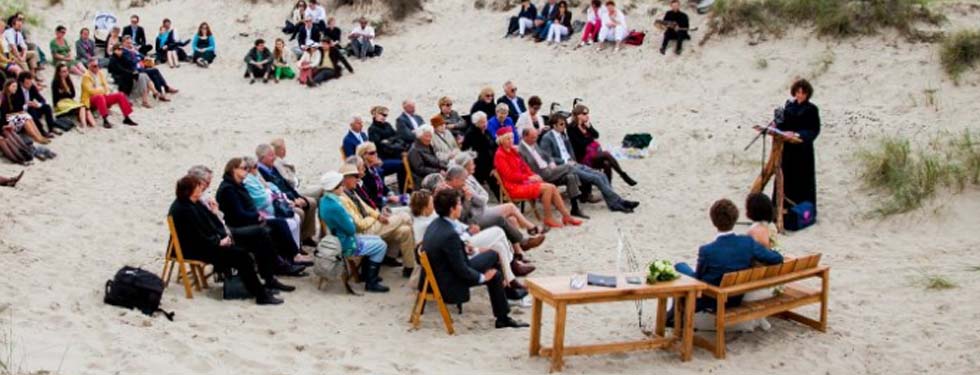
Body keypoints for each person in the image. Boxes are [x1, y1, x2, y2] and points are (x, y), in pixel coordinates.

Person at [169, 175, 287, 305]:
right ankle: (260, 294)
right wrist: (219, 241)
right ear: (189, 190)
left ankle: (265, 284)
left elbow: (212, 224)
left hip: (210, 241)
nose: (201, 188)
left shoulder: (193, 203)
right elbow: (196, 236)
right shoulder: (185, 209)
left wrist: (216, 217)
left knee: (256, 239)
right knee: (241, 255)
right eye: (198, 186)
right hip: (199, 249)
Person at [421, 189, 529, 328]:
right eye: (459, 204)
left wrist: (469, 249)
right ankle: (503, 313)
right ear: (452, 209)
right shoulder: (449, 234)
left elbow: (452, 253)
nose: (461, 207)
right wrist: (483, 277)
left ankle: (506, 298)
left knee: (493, 254)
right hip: (450, 281)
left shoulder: (437, 224)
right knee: (494, 273)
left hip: (443, 272)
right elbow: (461, 269)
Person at [412, 186, 532, 295]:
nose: (433, 205)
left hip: (459, 246)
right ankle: (512, 264)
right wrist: (481, 274)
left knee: (499, 246)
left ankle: (510, 280)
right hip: (455, 256)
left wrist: (468, 230)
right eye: (431, 203)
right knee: (498, 232)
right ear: (425, 207)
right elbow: (450, 244)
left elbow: (455, 227)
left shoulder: (433, 218)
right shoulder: (429, 223)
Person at [673, 199, 783, 310]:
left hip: (712, 299)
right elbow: (777, 258)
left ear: (713, 221)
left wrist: (682, 267)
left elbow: (697, 279)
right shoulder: (747, 243)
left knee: (679, 267)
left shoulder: (707, 250)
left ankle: (673, 316)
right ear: (735, 219)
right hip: (736, 297)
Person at [215, 157, 307, 275]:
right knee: (266, 230)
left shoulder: (238, 185)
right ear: (233, 170)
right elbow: (238, 214)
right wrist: (256, 217)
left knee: (279, 223)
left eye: (248, 168)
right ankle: (279, 264)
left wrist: (257, 216)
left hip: (248, 220)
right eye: (244, 168)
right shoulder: (228, 189)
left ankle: (291, 257)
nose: (247, 171)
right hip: (238, 226)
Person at [446, 156, 546, 259]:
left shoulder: (460, 186)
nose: (465, 182)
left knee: (512, 219)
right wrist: (467, 199)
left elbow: (481, 199)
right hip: (472, 220)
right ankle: (524, 239)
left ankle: (518, 254)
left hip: (478, 212)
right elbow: (461, 217)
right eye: (463, 180)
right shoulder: (449, 193)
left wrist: (470, 197)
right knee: (501, 217)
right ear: (455, 179)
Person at [540, 115, 639, 213]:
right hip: (563, 168)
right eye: (561, 124)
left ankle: (614, 203)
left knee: (601, 175)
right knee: (595, 178)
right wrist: (565, 161)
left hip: (573, 164)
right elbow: (547, 158)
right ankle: (618, 202)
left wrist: (573, 160)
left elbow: (569, 150)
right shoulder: (547, 138)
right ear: (554, 125)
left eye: (565, 123)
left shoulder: (562, 134)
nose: (564, 126)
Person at [337, 163, 416, 277]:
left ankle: (409, 268)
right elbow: (359, 224)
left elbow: (367, 208)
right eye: (355, 176)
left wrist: (378, 216)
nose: (358, 179)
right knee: (405, 216)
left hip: (371, 225)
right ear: (345, 179)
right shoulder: (343, 198)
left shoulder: (352, 192)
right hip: (364, 232)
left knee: (405, 230)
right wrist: (374, 218)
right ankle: (421, 250)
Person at [494, 129, 582, 228]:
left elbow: (524, 167)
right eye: (507, 139)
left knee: (551, 186)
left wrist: (533, 175)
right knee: (548, 188)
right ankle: (548, 218)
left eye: (512, 138)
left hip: (523, 181)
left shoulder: (513, 151)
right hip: (514, 186)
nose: (511, 141)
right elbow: (510, 176)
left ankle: (566, 216)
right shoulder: (500, 155)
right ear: (501, 140)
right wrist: (529, 177)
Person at [319, 171, 390, 292]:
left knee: (378, 239)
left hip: (338, 238)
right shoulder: (336, 206)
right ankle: (371, 282)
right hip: (346, 243)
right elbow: (351, 229)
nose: (343, 187)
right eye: (341, 185)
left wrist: (350, 219)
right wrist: (351, 219)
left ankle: (367, 275)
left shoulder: (324, 201)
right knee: (381, 246)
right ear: (334, 188)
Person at [517, 127, 589, 218]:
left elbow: (545, 155)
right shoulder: (520, 150)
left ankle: (575, 208)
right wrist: (533, 176)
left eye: (536, 137)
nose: (535, 140)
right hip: (539, 175)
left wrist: (551, 161)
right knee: (569, 166)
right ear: (524, 136)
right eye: (532, 138)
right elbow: (523, 169)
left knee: (571, 176)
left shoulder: (533, 143)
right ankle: (587, 184)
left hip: (549, 171)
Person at [242, 156, 305, 259]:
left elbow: (272, 186)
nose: (257, 168)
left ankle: (296, 250)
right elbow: (261, 199)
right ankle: (291, 254)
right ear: (248, 168)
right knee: (289, 222)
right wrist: (271, 193)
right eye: (255, 166)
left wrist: (273, 193)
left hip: (272, 207)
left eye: (257, 166)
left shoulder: (256, 177)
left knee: (296, 217)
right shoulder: (248, 181)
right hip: (264, 211)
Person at [256, 143, 320, 245]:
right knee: (299, 212)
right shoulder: (259, 172)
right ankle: (296, 243)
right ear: (262, 158)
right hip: (280, 201)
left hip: (289, 196)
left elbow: (286, 184)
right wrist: (293, 200)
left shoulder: (273, 168)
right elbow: (274, 191)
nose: (274, 157)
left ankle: (306, 236)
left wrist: (298, 197)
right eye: (271, 155)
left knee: (312, 203)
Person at [777, 79, 821, 217]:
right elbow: (783, 126)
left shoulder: (812, 109)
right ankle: (783, 207)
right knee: (787, 177)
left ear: (807, 94)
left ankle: (804, 210)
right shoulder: (789, 107)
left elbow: (814, 129)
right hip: (788, 150)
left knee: (803, 180)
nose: (800, 95)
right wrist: (778, 125)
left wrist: (798, 134)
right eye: (797, 92)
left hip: (803, 150)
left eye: (803, 93)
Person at [567, 104, 636, 185]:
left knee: (607, 163)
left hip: (593, 153)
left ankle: (608, 187)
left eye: (587, 113)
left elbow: (596, 135)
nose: (587, 116)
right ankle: (623, 175)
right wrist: (589, 138)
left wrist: (590, 128)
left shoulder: (586, 124)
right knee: (606, 154)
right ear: (578, 115)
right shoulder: (571, 128)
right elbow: (581, 144)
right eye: (584, 114)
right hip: (583, 157)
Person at [80, 60, 137, 128]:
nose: (97, 67)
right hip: (89, 99)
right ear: (89, 67)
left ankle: (127, 117)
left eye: (99, 65)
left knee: (120, 95)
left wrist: (102, 90)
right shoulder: (86, 76)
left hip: (102, 96)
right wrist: (102, 90)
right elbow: (90, 91)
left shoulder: (100, 73)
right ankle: (105, 120)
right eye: (95, 66)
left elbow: (106, 86)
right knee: (99, 97)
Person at [18, 72, 73, 137]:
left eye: (30, 82)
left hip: (32, 110)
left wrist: (38, 104)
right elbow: (14, 107)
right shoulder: (17, 90)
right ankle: (42, 131)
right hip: (21, 112)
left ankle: (51, 128)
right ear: (21, 83)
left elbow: (42, 99)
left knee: (47, 107)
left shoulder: (32, 87)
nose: (29, 85)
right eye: (27, 83)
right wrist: (26, 105)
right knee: (31, 109)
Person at [356, 142, 406, 211]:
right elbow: (370, 197)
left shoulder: (374, 169)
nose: (376, 154)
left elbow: (382, 186)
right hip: (376, 208)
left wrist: (390, 193)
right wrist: (388, 199)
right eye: (372, 153)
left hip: (383, 205)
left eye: (376, 152)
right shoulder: (363, 174)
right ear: (364, 155)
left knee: (411, 200)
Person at [367, 105, 408, 190]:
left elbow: (397, 137)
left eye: (385, 115)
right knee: (402, 164)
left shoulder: (387, 125)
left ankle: (410, 186)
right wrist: (390, 141)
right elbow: (379, 145)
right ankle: (404, 190)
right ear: (375, 114)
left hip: (394, 153)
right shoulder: (372, 129)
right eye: (381, 114)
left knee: (410, 159)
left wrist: (388, 140)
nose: (383, 117)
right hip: (382, 158)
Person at [1, 78, 51, 144]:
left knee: (27, 116)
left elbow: (16, 109)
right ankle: (37, 138)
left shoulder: (12, 96)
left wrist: (20, 112)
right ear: (7, 87)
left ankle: (39, 136)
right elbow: (5, 115)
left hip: (12, 118)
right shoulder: (3, 98)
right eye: (13, 86)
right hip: (6, 122)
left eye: (16, 86)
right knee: (24, 118)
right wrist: (19, 113)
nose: (15, 88)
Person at [460, 112, 497, 194]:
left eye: (485, 121)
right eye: (482, 122)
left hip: (490, 160)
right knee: (492, 174)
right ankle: (501, 197)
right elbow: (479, 153)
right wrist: (492, 166)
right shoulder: (472, 134)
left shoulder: (485, 130)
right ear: (476, 123)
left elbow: (493, 144)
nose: (485, 124)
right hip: (479, 164)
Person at [51, 64, 96, 129]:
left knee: (85, 107)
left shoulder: (68, 80)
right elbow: (56, 98)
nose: (66, 73)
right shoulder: (55, 82)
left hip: (69, 101)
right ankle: (84, 125)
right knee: (82, 107)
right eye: (63, 71)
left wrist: (65, 90)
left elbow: (73, 94)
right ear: (59, 73)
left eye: (66, 71)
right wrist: (65, 89)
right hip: (60, 103)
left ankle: (93, 124)